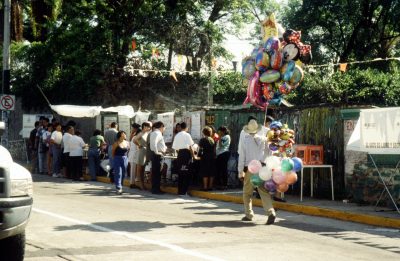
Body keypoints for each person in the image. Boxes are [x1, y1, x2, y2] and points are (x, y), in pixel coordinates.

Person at [238, 119, 276, 225]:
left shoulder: (245, 138)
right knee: (263, 191)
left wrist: (240, 171)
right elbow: (271, 152)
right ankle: (270, 211)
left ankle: (248, 214)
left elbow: (242, 155)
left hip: (251, 168)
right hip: (263, 167)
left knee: (247, 193)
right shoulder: (266, 136)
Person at [172, 122, 195, 196]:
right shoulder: (187, 134)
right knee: (186, 173)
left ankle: (180, 191)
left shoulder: (177, 135)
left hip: (180, 155)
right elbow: (191, 146)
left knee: (181, 173)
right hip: (186, 154)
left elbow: (175, 148)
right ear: (186, 128)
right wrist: (193, 156)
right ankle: (184, 192)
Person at [133, 121, 152, 190]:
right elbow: (134, 140)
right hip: (142, 151)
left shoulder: (147, 133)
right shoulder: (141, 133)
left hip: (146, 151)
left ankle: (142, 184)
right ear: (144, 126)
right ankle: (141, 184)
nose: (150, 128)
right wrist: (139, 145)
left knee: (143, 169)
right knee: (140, 168)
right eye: (149, 126)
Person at [149, 121, 167, 194]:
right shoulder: (157, 133)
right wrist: (157, 152)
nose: (164, 129)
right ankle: (156, 189)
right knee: (157, 173)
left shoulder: (154, 133)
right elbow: (154, 144)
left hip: (156, 154)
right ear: (161, 127)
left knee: (155, 172)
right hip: (157, 155)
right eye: (164, 127)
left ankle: (155, 188)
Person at [197, 126, 216, 191]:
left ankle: (205, 187)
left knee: (204, 172)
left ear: (203, 132)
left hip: (205, 158)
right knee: (211, 172)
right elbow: (214, 149)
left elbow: (200, 150)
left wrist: (198, 156)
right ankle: (210, 186)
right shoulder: (212, 139)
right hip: (212, 157)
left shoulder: (202, 140)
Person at [128, 123, 141, 188]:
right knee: (133, 168)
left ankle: (132, 182)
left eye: (133, 128)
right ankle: (132, 183)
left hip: (134, 153)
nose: (132, 129)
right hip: (134, 154)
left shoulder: (136, 136)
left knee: (133, 169)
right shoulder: (135, 136)